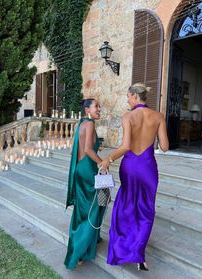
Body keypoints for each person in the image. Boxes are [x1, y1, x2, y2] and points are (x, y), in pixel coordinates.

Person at [100, 83, 169, 270]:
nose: (127, 100)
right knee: (146, 209)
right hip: (147, 167)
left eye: (128, 97)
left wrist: (108, 158)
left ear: (135, 96)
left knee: (126, 206)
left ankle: (123, 250)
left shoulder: (128, 116)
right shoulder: (158, 116)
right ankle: (139, 254)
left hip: (130, 165)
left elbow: (126, 146)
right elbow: (165, 146)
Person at [64, 98, 106, 269]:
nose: (99, 109)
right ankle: (79, 252)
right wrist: (103, 162)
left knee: (89, 207)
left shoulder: (81, 123)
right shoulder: (89, 124)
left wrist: (96, 147)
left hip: (81, 169)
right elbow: (88, 149)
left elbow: (78, 149)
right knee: (94, 207)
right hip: (88, 171)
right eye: (97, 106)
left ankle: (92, 240)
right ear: (88, 109)